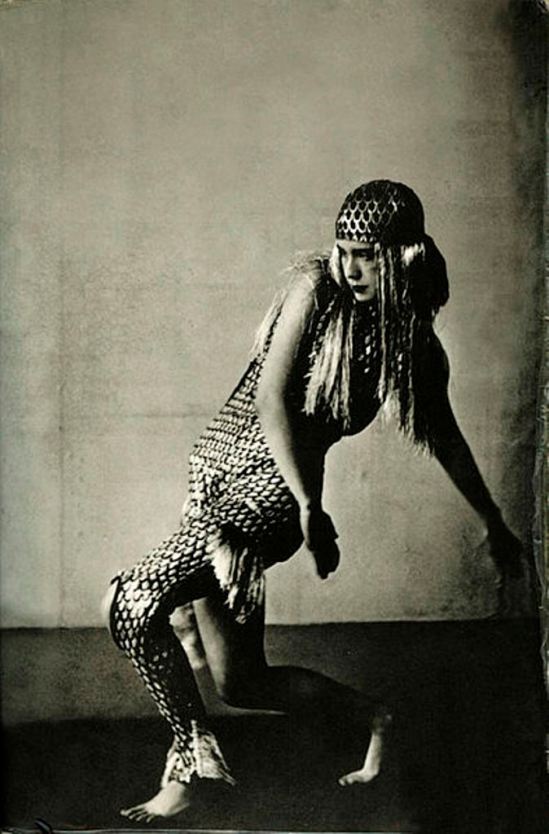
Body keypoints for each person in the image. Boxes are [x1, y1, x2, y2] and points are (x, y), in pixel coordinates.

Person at [102, 179, 522, 823]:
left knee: (131, 604)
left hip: (267, 500)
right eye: (344, 251)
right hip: (211, 485)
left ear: (403, 257)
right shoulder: (314, 289)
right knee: (241, 683)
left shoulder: (411, 347)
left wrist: (491, 520)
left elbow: (444, 438)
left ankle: (192, 767)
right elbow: (269, 393)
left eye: (368, 257)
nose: (350, 268)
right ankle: (378, 718)